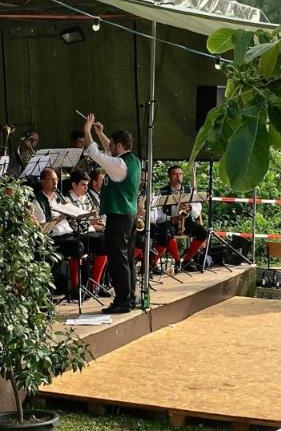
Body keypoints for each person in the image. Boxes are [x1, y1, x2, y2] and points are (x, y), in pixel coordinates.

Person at [82, 112, 140, 314]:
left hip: (119, 216)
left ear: (120, 145)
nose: (110, 147)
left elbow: (94, 152)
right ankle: (130, 296)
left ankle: (122, 300)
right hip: (130, 215)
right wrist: (101, 133)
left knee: (118, 259)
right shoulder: (132, 160)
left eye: (113, 145)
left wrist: (87, 131)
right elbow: (108, 149)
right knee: (128, 258)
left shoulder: (118, 164)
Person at [152, 165, 210, 272]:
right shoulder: (162, 192)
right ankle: (177, 262)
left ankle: (187, 261)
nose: (178, 177)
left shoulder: (188, 191)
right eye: (175, 174)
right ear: (169, 176)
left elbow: (198, 209)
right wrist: (170, 218)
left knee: (203, 231)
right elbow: (157, 214)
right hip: (169, 221)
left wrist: (190, 208)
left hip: (185, 220)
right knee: (166, 233)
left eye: (180, 174)